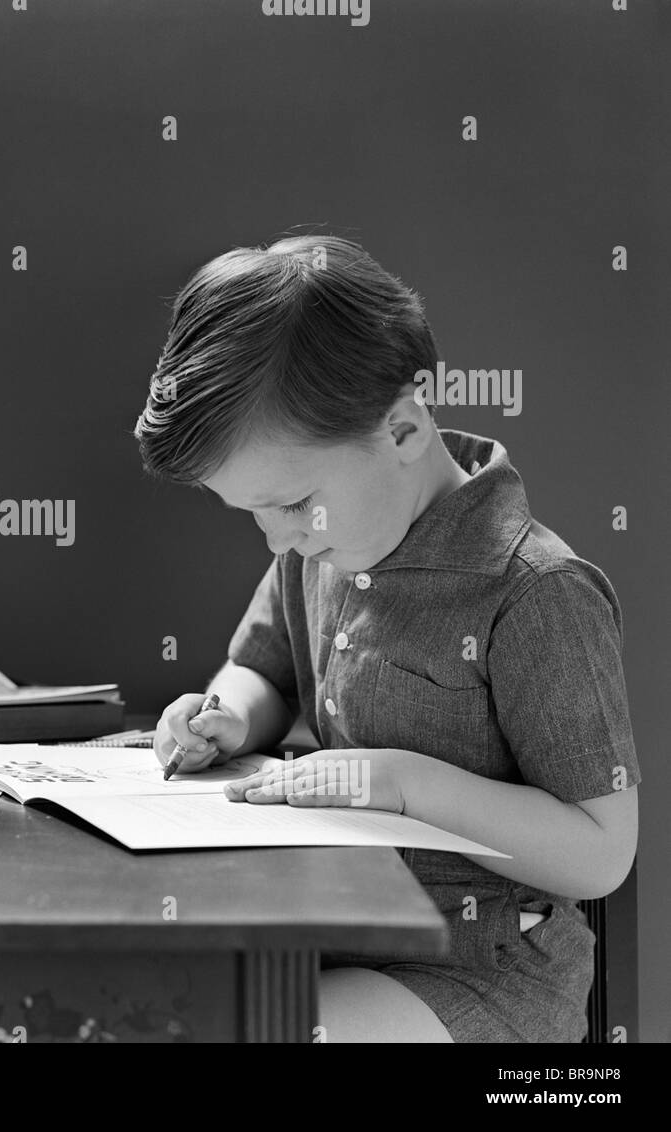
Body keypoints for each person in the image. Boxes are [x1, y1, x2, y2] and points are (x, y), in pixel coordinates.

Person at [136, 234, 639, 1042]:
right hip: (331, 929)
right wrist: (222, 716)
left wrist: (405, 782)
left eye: (294, 504)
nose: (278, 541)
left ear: (402, 431)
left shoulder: (536, 593)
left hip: (478, 971)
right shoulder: (327, 546)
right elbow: (258, 672)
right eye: (254, 515)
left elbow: (601, 852)